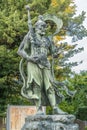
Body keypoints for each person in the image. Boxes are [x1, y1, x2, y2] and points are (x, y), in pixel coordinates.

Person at [17, 14, 67, 115]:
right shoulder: (30, 36)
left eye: (44, 27)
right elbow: (20, 50)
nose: (43, 29)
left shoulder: (48, 39)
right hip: (33, 63)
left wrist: (55, 51)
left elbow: (53, 53)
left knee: (50, 86)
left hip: (45, 64)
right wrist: (28, 57)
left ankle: (55, 108)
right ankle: (39, 109)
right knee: (37, 85)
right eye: (41, 27)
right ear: (36, 27)